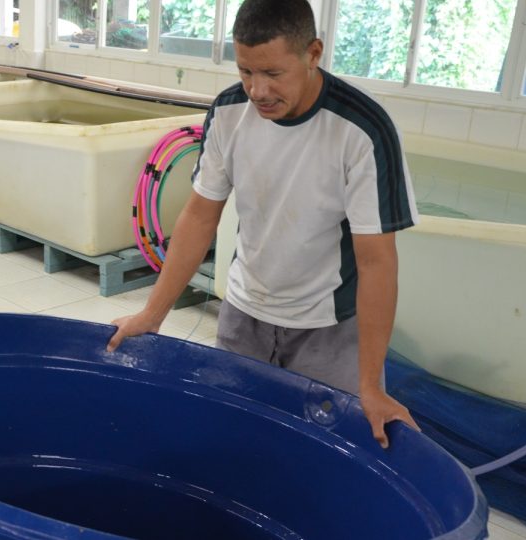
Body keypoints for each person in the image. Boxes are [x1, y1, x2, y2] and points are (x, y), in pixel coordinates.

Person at [107, 0, 420, 449]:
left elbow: (377, 263)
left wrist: (370, 385)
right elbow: (199, 214)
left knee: (322, 455)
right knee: (234, 442)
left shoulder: (361, 130)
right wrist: (152, 315)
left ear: (313, 53)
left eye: (273, 73)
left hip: (328, 328)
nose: (257, 90)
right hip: (244, 314)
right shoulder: (230, 112)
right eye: (245, 72)